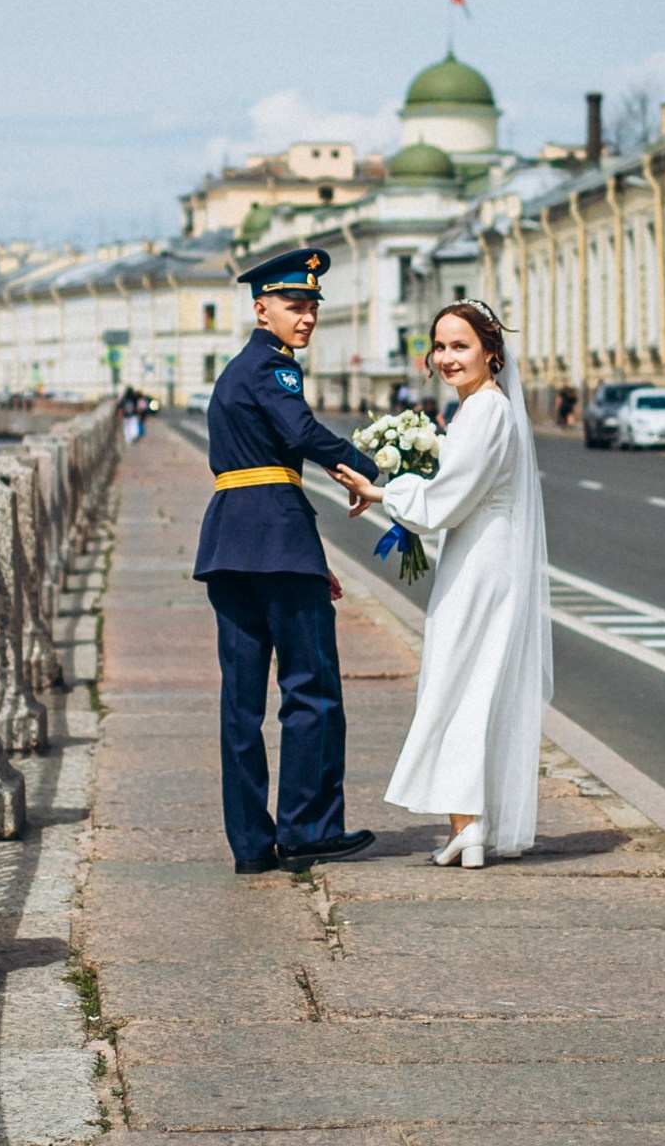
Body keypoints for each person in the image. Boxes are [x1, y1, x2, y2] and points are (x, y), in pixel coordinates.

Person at [331, 301, 552, 869]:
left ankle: (469, 824)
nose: (448, 357)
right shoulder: (480, 408)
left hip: (481, 558)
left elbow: (449, 498)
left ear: (491, 352)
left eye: (461, 345)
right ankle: (466, 824)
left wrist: (384, 491)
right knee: (466, 681)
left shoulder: (485, 409)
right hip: (481, 551)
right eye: (440, 346)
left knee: (459, 682)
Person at [195, 247, 383, 875]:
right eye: (294, 305)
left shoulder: (234, 371)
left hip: (230, 545)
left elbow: (267, 465)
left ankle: (251, 845)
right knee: (312, 688)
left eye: (311, 308)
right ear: (261, 310)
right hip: (278, 541)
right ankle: (308, 829)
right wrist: (369, 468)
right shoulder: (273, 367)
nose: (306, 318)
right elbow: (299, 434)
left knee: (241, 705)